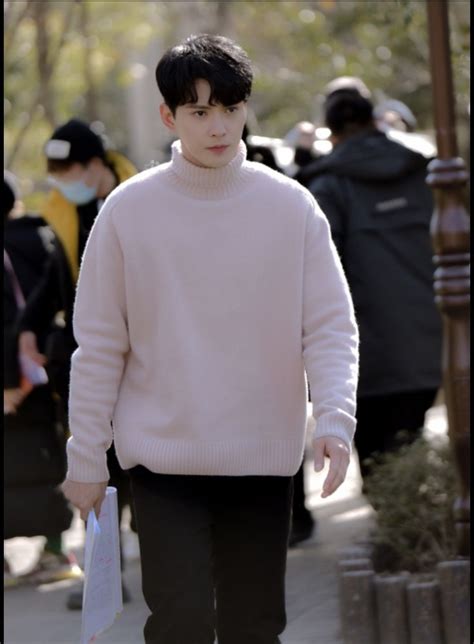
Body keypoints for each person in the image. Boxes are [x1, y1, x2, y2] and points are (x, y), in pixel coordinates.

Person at [61, 34, 359, 644]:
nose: (218, 126)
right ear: (169, 116)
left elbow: (330, 325)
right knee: (182, 624)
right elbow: (99, 345)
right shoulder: (127, 210)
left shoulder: (291, 206)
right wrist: (86, 456)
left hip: (261, 457)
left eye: (230, 108)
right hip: (162, 461)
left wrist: (334, 416)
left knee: (255, 626)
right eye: (199, 111)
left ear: (246, 107)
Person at [16, 119, 137, 607]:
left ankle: (171, 569)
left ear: (94, 165)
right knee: (93, 467)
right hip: (86, 364)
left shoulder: (139, 201)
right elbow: (55, 277)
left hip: (143, 364)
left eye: (68, 172)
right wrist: (29, 325)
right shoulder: (69, 213)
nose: (63, 183)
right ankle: (104, 580)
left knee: (147, 471)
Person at [301, 79, 442, 486]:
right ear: (372, 117)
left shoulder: (327, 186)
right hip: (428, 343)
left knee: (380, 468)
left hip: (367, 357)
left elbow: (320, 277)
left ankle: (400, 518)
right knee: (411, 448)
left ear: (331, 129)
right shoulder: (425, 168)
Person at [4, 172, 81, 587]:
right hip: (43, 372)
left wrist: (9, 381)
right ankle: (54, 549)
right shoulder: (44, 238)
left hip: (11, 378)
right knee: (48, 459)